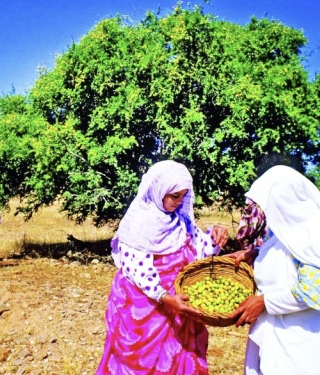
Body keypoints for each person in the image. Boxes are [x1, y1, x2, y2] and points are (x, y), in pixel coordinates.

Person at [228, 166, 320, 375]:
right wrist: (256, 253)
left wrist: (264, 302)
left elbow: (314, 291)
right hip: (288, 334)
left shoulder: (315, 235)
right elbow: (288, 253)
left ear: (282, 201)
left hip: (310, 341)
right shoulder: (289, 229)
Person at [96, 160, 228, 374]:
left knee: (177, 360)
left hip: (177, 309)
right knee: (144, 364)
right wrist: (167, 299)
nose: (179, 201)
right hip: (147, 309)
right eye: (174, 196)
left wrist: (215, 235)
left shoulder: (181, 221)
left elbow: (199, 251)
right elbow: (137, 271)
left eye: (183, 196)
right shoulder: (139, 223)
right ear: (159, 190)